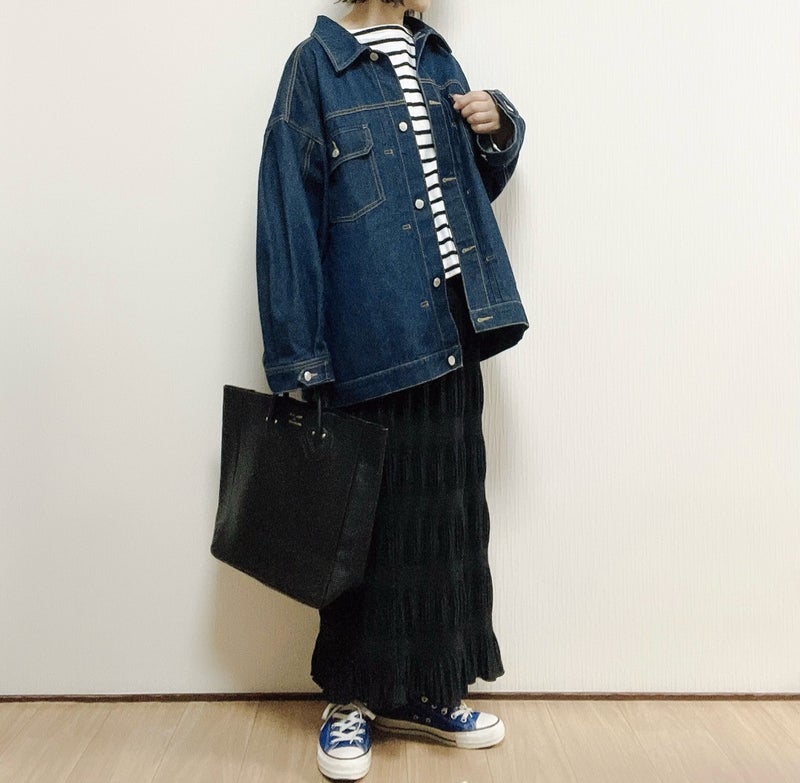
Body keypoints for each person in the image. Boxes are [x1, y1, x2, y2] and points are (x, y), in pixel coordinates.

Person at [255, 0, 529, 778]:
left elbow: (467, 187)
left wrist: (499, 128)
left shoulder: (437, 59)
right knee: (363, 533)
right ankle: (352, 699)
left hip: (454, 330)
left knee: (444, 525)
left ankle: (430, 691)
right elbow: (288, 214)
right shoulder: (315, 68)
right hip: (370, 339)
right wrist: (300, 360)